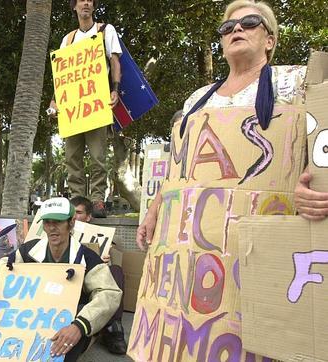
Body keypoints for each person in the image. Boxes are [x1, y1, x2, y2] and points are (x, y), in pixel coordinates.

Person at [137, 0, 312, 251]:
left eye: (249, 23)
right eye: (228, 27)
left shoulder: (297, 82)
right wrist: (155, 208)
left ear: (269, 41)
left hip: (267, 240)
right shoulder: (196, 101)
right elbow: (178, 171)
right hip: (203, 248)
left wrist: (312, 181)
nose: (237, 29)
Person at [0, 197, 121, 361]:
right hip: (25, 318)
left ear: (71, 222)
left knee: (60, 350)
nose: (52, 228)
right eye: (47, 222)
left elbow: (108, 293)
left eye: (58, 222)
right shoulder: (28, 250)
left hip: (66, 324)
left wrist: (79, 326)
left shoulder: (87, 258)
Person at [49, 0, 122, 218]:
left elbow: (115, 61)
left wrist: (115, 89)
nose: (86, 3)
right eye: (82, 0)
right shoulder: (68, 39)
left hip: (96, 103)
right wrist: (55, 100)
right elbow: (62, 73)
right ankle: (76, 200)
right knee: (72, 156)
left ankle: (98, 199)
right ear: (74, 6)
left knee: (98, 155)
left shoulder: (105, 30)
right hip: (72, 107)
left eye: (90, 0)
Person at [70, 196, 127, 355]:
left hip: (94, 283)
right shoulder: (59, 234)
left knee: (115, 271)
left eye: (79, 212)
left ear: (88, 217)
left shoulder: (106, 238)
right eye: (71, 213)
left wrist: (100, 261)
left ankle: (114, 328)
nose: (74, 216)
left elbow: (105, 282)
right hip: (71, 284)